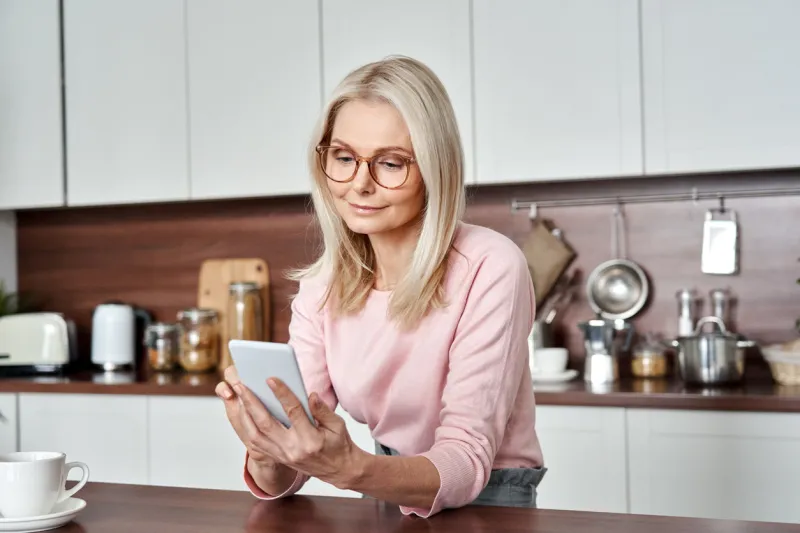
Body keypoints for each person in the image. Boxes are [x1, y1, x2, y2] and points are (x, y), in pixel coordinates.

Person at [215, 55, 545, 518]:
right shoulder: (323, 285)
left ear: (435, 168)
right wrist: (268, 449)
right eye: (344, 158)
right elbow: (287, 473)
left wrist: (350, 469)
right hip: (383, 481)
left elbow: (466, 460)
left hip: (490, 499)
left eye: (391, 163)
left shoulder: (490, 265)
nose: (360, 184)